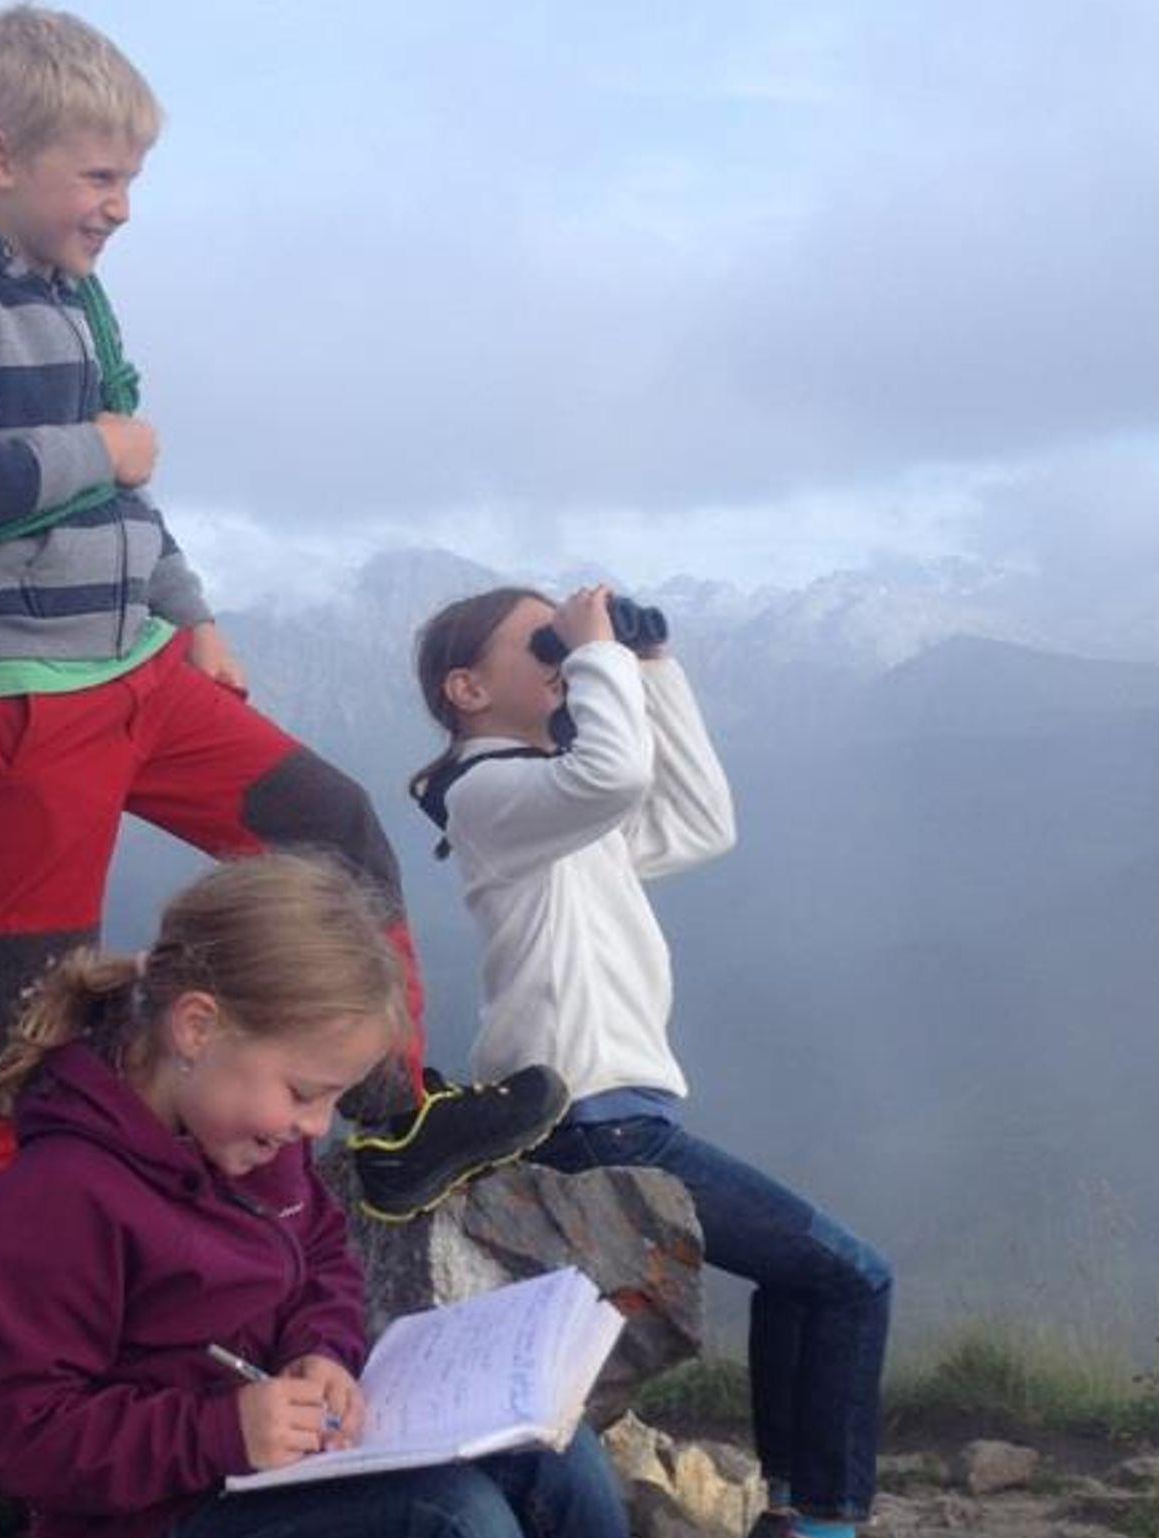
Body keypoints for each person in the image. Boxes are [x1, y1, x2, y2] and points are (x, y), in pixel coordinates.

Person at [0, 5, 564, 1225]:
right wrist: (101, 444)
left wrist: (190, 613)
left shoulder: (72, 295)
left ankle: (392, 1111)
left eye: (129, 179)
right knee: (31, 982)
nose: (120, 205)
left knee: (330, 824)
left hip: (141, 671)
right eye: (99, 176)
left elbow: (119, 492)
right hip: (26, 702)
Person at [0, 853, 629, 1538]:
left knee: (554, 1455)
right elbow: (9, 1431)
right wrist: (218, 1432)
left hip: (273, 1466)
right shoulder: (59, 1199)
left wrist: (320, 1349)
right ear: (197, 1028)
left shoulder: (252, 1140)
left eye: (332, 1099)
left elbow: (321, 1253)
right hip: (156, 1512)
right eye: (303, 1093)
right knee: (451, 1518)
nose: (318, 1126)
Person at [411, 584, 894, 1538]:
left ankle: (799, 1511)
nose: (561, 653)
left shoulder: (546, 800)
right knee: (851, 1277)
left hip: (618, 1113)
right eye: (541, 643)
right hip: (593, 1117)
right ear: (467, 689)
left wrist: (652, 667)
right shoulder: (489, 793)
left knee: (815, 1280)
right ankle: (821, 1522)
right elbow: (614, 775)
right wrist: (597, 655)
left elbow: (700, 822)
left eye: (562, 641)